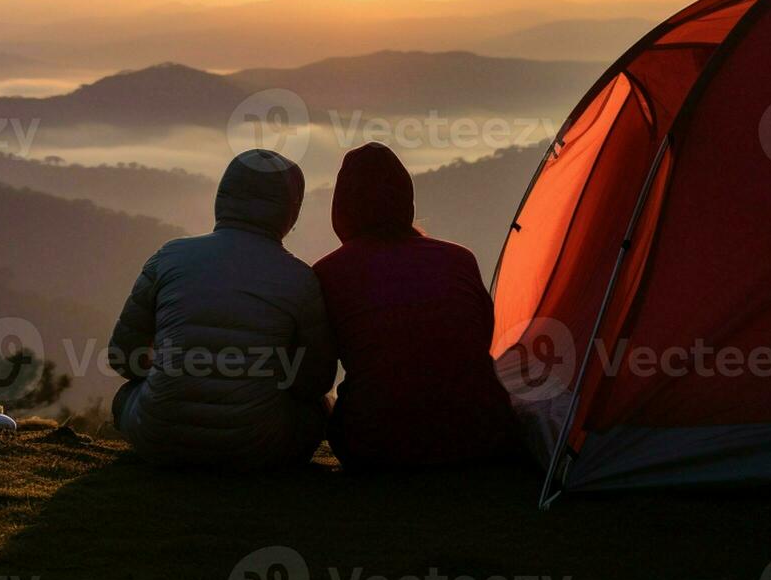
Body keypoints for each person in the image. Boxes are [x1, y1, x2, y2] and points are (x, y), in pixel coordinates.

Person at [108, 149, 336, 469]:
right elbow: (314, 382)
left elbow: (122, 355)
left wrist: (175, 371)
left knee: (126, 395)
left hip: (159, 439)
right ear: (290, 211)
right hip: (258, 452)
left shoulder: (170, 256)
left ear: (222, 197)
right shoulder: (300, 279)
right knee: (318, 410)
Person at [313, 142, 515, 470]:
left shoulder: (328, 273)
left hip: (376, 445)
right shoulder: (460, 260)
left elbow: (316, 371)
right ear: (406, 198)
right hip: (480, 436)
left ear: (342, 207)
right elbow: (488, 339)